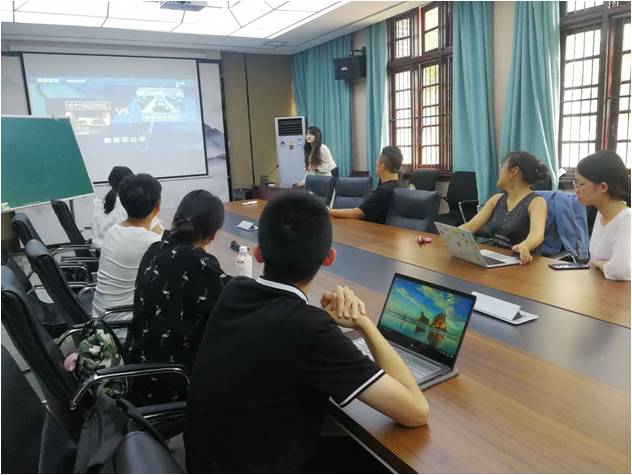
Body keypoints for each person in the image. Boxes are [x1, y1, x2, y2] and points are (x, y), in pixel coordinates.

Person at [185, 191, 429, 473]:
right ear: (329, 258)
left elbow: (280, 334)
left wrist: (321, 320)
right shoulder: (310, 330)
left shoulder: (235, 290)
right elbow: (416, 411)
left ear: (258, 252)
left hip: (207, 460)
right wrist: (364, 324)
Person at [126, 190, 228, 372]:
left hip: (138, 361)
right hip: (175, 373)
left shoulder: (154, 248)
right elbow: (234, 299)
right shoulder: (199, 262)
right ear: (213, 234)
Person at [92, 174, 163, 319]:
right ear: (157, 207)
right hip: (122, 323)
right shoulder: (152, 242)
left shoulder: (113, 230)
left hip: (101, 315)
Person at [460, 151, 549, 264]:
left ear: (514, 171)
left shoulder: (536, 202)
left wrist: (525, 246)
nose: (499, 172)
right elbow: (471, 226)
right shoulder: (496, 199)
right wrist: (452, 234)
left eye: (501, 168)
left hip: (523, 264)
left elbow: (537, 234)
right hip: (498, 260)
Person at [574, 151, 630, 281]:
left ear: (603, 187)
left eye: (581, 184)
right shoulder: (600, 213)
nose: (576, 190)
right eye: (575, 183)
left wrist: (597, 263)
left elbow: (621, 271)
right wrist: (600, 264)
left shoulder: (626, 219)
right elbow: (595, 260)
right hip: (599, 286)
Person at [329, 146, 403, 224]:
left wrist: (328, 211)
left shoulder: (384, 191)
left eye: (377, 161)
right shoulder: (399, 187)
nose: (375, 162)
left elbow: (357, 213)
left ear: (382, 166)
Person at [91, 166, 162, 247]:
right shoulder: (127, 204)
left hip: (102, 249)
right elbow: (155, 229)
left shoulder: (97, 203)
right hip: (122, 248)